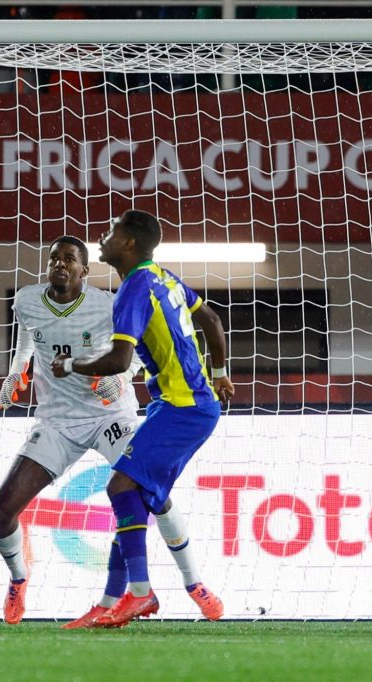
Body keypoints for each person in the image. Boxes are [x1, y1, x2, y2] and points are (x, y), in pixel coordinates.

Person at [0, 235, 224, 628]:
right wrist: (17, 371)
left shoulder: (108, 304)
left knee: (152, 495)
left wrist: (123, 378)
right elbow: (29, 337)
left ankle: (194, 583)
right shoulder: (26, 300)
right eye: (54, 258)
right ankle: (19, 578)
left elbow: (136, 349)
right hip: (57, 421)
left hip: (109, 416)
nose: (60, 264)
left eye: (70, 259)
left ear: (84, 270)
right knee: (2, 512)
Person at [64, 210, 235, 628]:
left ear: (128, 243)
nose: (102, 237)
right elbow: (211, 320)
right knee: (137, 499)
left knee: (121, 486)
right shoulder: (162, 277)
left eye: (110, 231)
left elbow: (119, 360)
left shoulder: (134, 289)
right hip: (183, 404)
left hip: (184, 407)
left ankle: (141, 593)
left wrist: (70, 366)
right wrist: (219, 373)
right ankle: (112, 601)